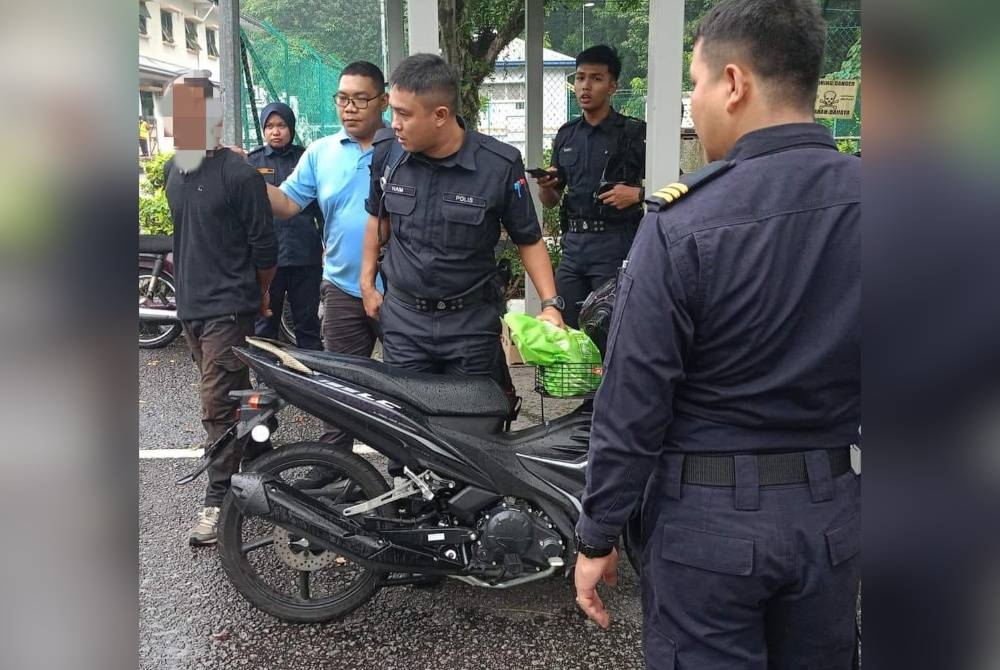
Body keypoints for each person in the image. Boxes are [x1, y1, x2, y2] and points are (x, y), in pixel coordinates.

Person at [571, 2, 861, 669]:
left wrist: (596, 535)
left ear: (734, 83)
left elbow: (632, 404)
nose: (693, 104)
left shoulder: (684, 222)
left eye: (695, 84)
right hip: (834, 516)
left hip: (707, 525)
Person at [360, 54, 564, 430]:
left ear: (440, 115)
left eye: (404, 114)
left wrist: (550, 305)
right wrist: (367, 282)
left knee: (474, 435)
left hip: (470, 325)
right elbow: (378, 217)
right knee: (407, 433)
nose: (395, 124)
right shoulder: (389, 154)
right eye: (394, 112)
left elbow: (529, 239)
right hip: (405, 321)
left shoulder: (498, 164)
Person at [160, 70, 278, 546]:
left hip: (229, 308)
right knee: (236, 393)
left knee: (216, 402)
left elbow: (265, 251)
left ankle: (218, 499)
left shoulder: (240, 175)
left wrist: (261, 294)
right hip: (190, 307)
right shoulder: (173, 169)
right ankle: (267, 451)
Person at [260, 61, 389, 451]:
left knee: (409, 387)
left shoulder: (403, 148)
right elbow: (286, 203)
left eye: (360, 99)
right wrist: (248, 182)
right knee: (339, 388)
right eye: (342, 99)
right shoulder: (321, 152)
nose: (349, 108)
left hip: (401, 292)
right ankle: (335, 466)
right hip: (342, 289)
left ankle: (409, 474)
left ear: (383, 101)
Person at [533, 45, 645, 328]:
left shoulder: (634, 133)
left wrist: (637, 195)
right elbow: (550, 200)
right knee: (564, 328)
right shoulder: (566, 135)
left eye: (595, 78)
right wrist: (547, 186)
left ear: (612, 86)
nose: (585, 86)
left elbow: (674, 183)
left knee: (610, 330)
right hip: (574, 248)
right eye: (580, 78)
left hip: (615, 243)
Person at [247, 102, 324, 351]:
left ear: (291, 127)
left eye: (281, 125)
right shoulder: (252, 162)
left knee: (308, 324)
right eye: (269, 126)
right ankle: (265, 382)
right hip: (269, 260)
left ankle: (312, 382)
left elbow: (322, 208)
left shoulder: (307, 159)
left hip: (305, 256)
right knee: (265, 324)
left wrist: (327, 244)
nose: (275, 131)